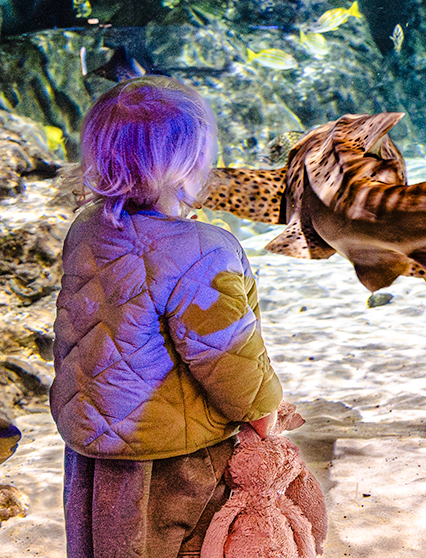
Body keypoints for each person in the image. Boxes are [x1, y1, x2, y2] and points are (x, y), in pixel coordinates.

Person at [52, 76, 286, 558]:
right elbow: (229, 359)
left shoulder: (87, 230)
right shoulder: (204, 249)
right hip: (174, 459)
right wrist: (264, 416)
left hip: (92, 456)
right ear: (190, 163)